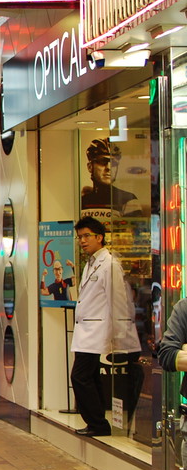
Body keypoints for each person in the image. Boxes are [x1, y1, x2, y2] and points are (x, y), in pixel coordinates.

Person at [68, 216, 141, 437]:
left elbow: (118, 302)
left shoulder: (109, 264)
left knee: (80, 377)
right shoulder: (91, 262)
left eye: (87, 236)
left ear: (100, 237)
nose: (82, 241)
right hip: (87, 331)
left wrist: (118, 337)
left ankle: (97, 423)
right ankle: (97, 424)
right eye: (80, 237)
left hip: (97, 332)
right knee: (90, 377)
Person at [80, 138, 144, 216]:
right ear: (90, 167)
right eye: (102, 162)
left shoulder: (128, 200)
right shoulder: (83, 201)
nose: (109, 168)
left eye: (114, 163)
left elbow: (135, 227)